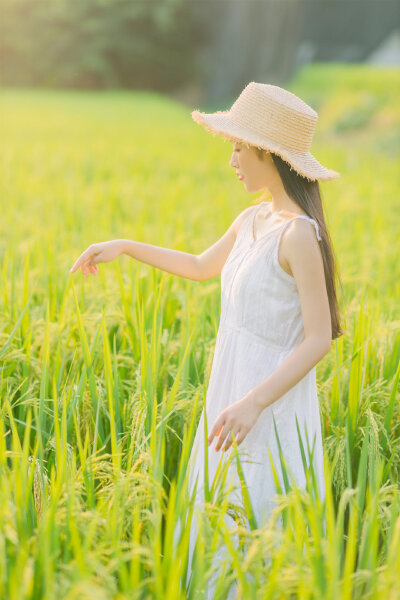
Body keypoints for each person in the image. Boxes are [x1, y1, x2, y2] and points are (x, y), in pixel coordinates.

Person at [70, 81, 343, 598]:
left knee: (258, 524)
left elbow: (319, 338)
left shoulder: (299, 234)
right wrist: (123, 246)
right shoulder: (253, 219)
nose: (233, 159)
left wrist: (254, 403)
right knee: (219, 520)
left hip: (268, 404)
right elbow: (199, 267)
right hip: (231, 394)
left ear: (270, 153)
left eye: (239, 147)